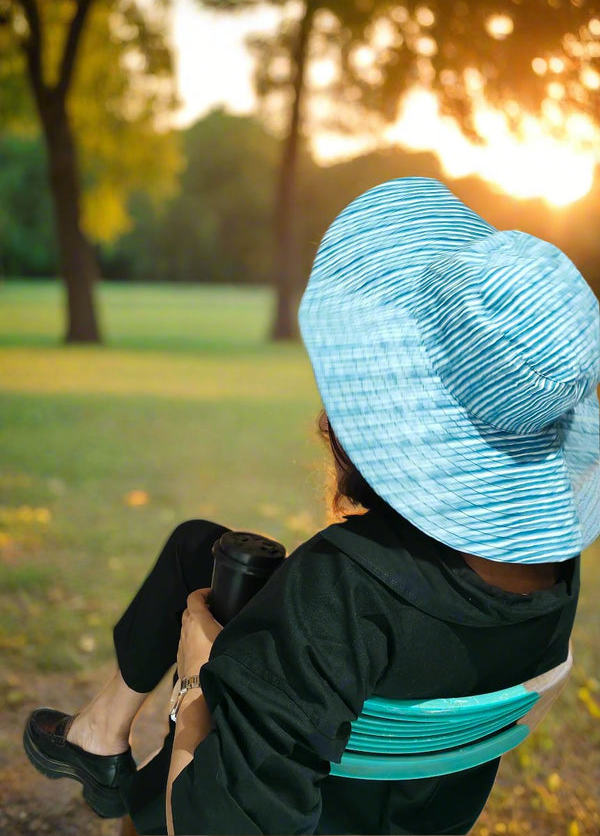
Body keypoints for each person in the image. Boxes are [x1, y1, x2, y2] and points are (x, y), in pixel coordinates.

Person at [23, 177, 599, 835]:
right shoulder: (555, 568)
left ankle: (103, 739)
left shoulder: (341, 588)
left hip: (308, 811)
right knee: (203, 547)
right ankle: (100, 735)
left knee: (211, 583)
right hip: (396, 812)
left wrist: (197, 678)